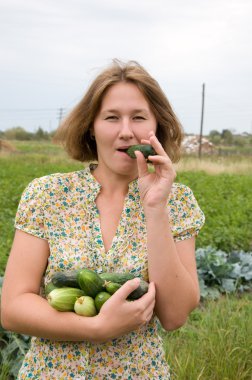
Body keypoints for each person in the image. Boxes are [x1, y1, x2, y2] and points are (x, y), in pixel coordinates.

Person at [1, 59, 205, 379]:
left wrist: (155, 210)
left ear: (157, 128)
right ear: (91, 128)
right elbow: (13, 308)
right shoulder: (48, 194)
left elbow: (174, 315)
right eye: (111, 117)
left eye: (138, 117)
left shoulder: (177, 202)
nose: (125, 131)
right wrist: (95, 328)